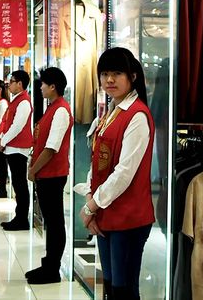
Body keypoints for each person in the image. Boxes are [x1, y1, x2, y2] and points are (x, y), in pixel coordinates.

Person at [78, 47, 155, 300]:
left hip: (129, 218)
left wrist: (91, 206)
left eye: (117, 73)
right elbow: (97, 162)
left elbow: (124, 172)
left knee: (124, 289)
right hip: (106, 213)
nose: (109, 80)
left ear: (132, 76)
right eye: (105, 74)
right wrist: (93, 199)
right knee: (111, 286)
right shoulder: (109, 112)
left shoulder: (137, 116)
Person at [25, 67, 73, 284]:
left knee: (54, 223)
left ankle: (53, 269)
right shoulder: (52, 108)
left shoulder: (61, 110)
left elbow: (51, 147)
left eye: (43, 84)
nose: (41, 87)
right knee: (51, 222)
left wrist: (34, 170)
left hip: (52, 174)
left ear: (53, 86)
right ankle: (48, 264)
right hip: (46, 173)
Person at [0, 70, 33, 231]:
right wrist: (1, 138)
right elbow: (9, 123)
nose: (8, 85)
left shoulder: (24, 102)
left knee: (20, 185)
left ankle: (22, 219)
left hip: (18, 148)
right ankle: (19, 217)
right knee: (18, 184)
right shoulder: (16, 100)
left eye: (11, 82)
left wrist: (3, 141)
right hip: (12, 147)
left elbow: (17, 126)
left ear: (20, 84)